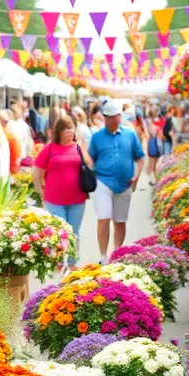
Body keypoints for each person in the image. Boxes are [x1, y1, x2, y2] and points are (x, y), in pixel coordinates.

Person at [88, 99, 144, 257]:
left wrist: (136, 176)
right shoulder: (97, 137)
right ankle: (103, 256)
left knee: (120, 221)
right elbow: (91, 159)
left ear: (119, 116)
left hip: (124, 184)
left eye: (113, 116)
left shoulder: (130, 135)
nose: (109, 120)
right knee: (103, 218)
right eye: (107, 116)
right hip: (103, 182)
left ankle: (116, 253)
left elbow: (140, 158)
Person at [34, 114, 90, 266]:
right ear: (58, 132)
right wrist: (40, 191)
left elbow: (89, 164)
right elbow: (37, 171)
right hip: (54, 200)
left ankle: (72, 263)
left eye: (70, 128)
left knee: (74, 231)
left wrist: (82, 146)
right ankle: (58, 261)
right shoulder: (50, 149)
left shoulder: (78, 147)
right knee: (59, 231)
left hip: (77, 198)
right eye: (65, 129)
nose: (68, 132)